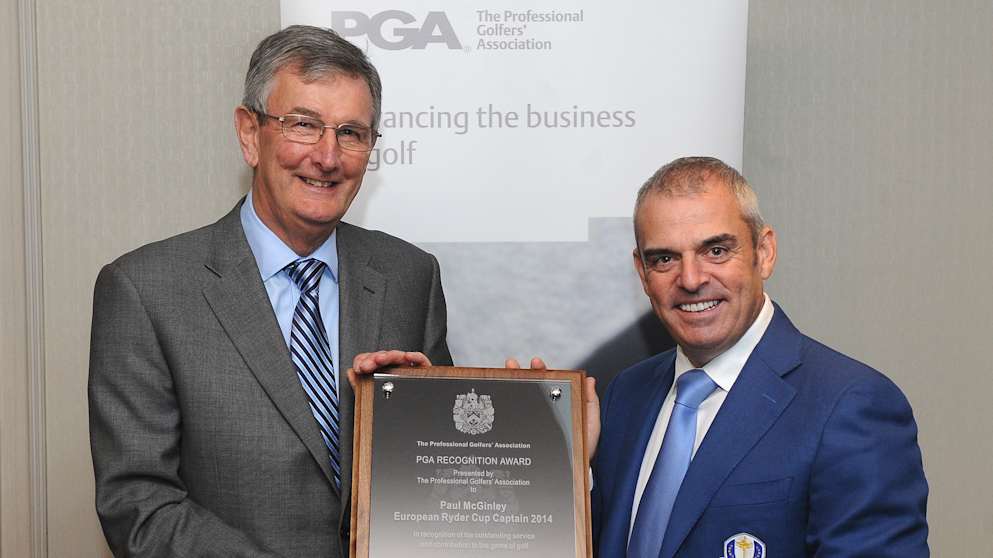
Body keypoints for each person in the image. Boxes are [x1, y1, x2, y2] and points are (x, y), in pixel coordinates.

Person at [88, 25, 451, 557]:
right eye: (304, 124)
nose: (328, 157)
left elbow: (440, 472)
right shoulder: (145, 291)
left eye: (351, 133)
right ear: (249, 133)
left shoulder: (409, 276)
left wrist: (445, 416)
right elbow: (138, 504)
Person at [592, 157, 928, 557]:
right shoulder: (625, 395)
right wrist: (550, 458)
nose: (692, 279)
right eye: (664, 258)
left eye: (715, 250)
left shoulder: (851, 405)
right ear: (642, 272)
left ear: (764, 252)